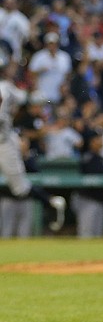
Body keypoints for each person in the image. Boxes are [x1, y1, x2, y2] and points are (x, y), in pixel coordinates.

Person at [0, 58, 65, 237]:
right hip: (7, 137)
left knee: (20, 189)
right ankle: (50, 201)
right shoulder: (9, 88)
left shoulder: (6, 88)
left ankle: (51, 202)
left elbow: (28, 99)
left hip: (3, 142)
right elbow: (26, 98)